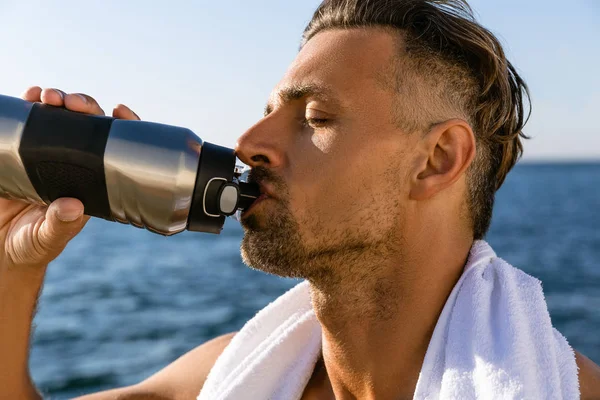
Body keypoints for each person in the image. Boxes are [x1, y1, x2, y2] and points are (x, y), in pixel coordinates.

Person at [2, 0, 600, 399]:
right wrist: (12, 265)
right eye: (268, 112)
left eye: (314, 116)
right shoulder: (225, 374)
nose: (247, 142)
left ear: (437, 159)